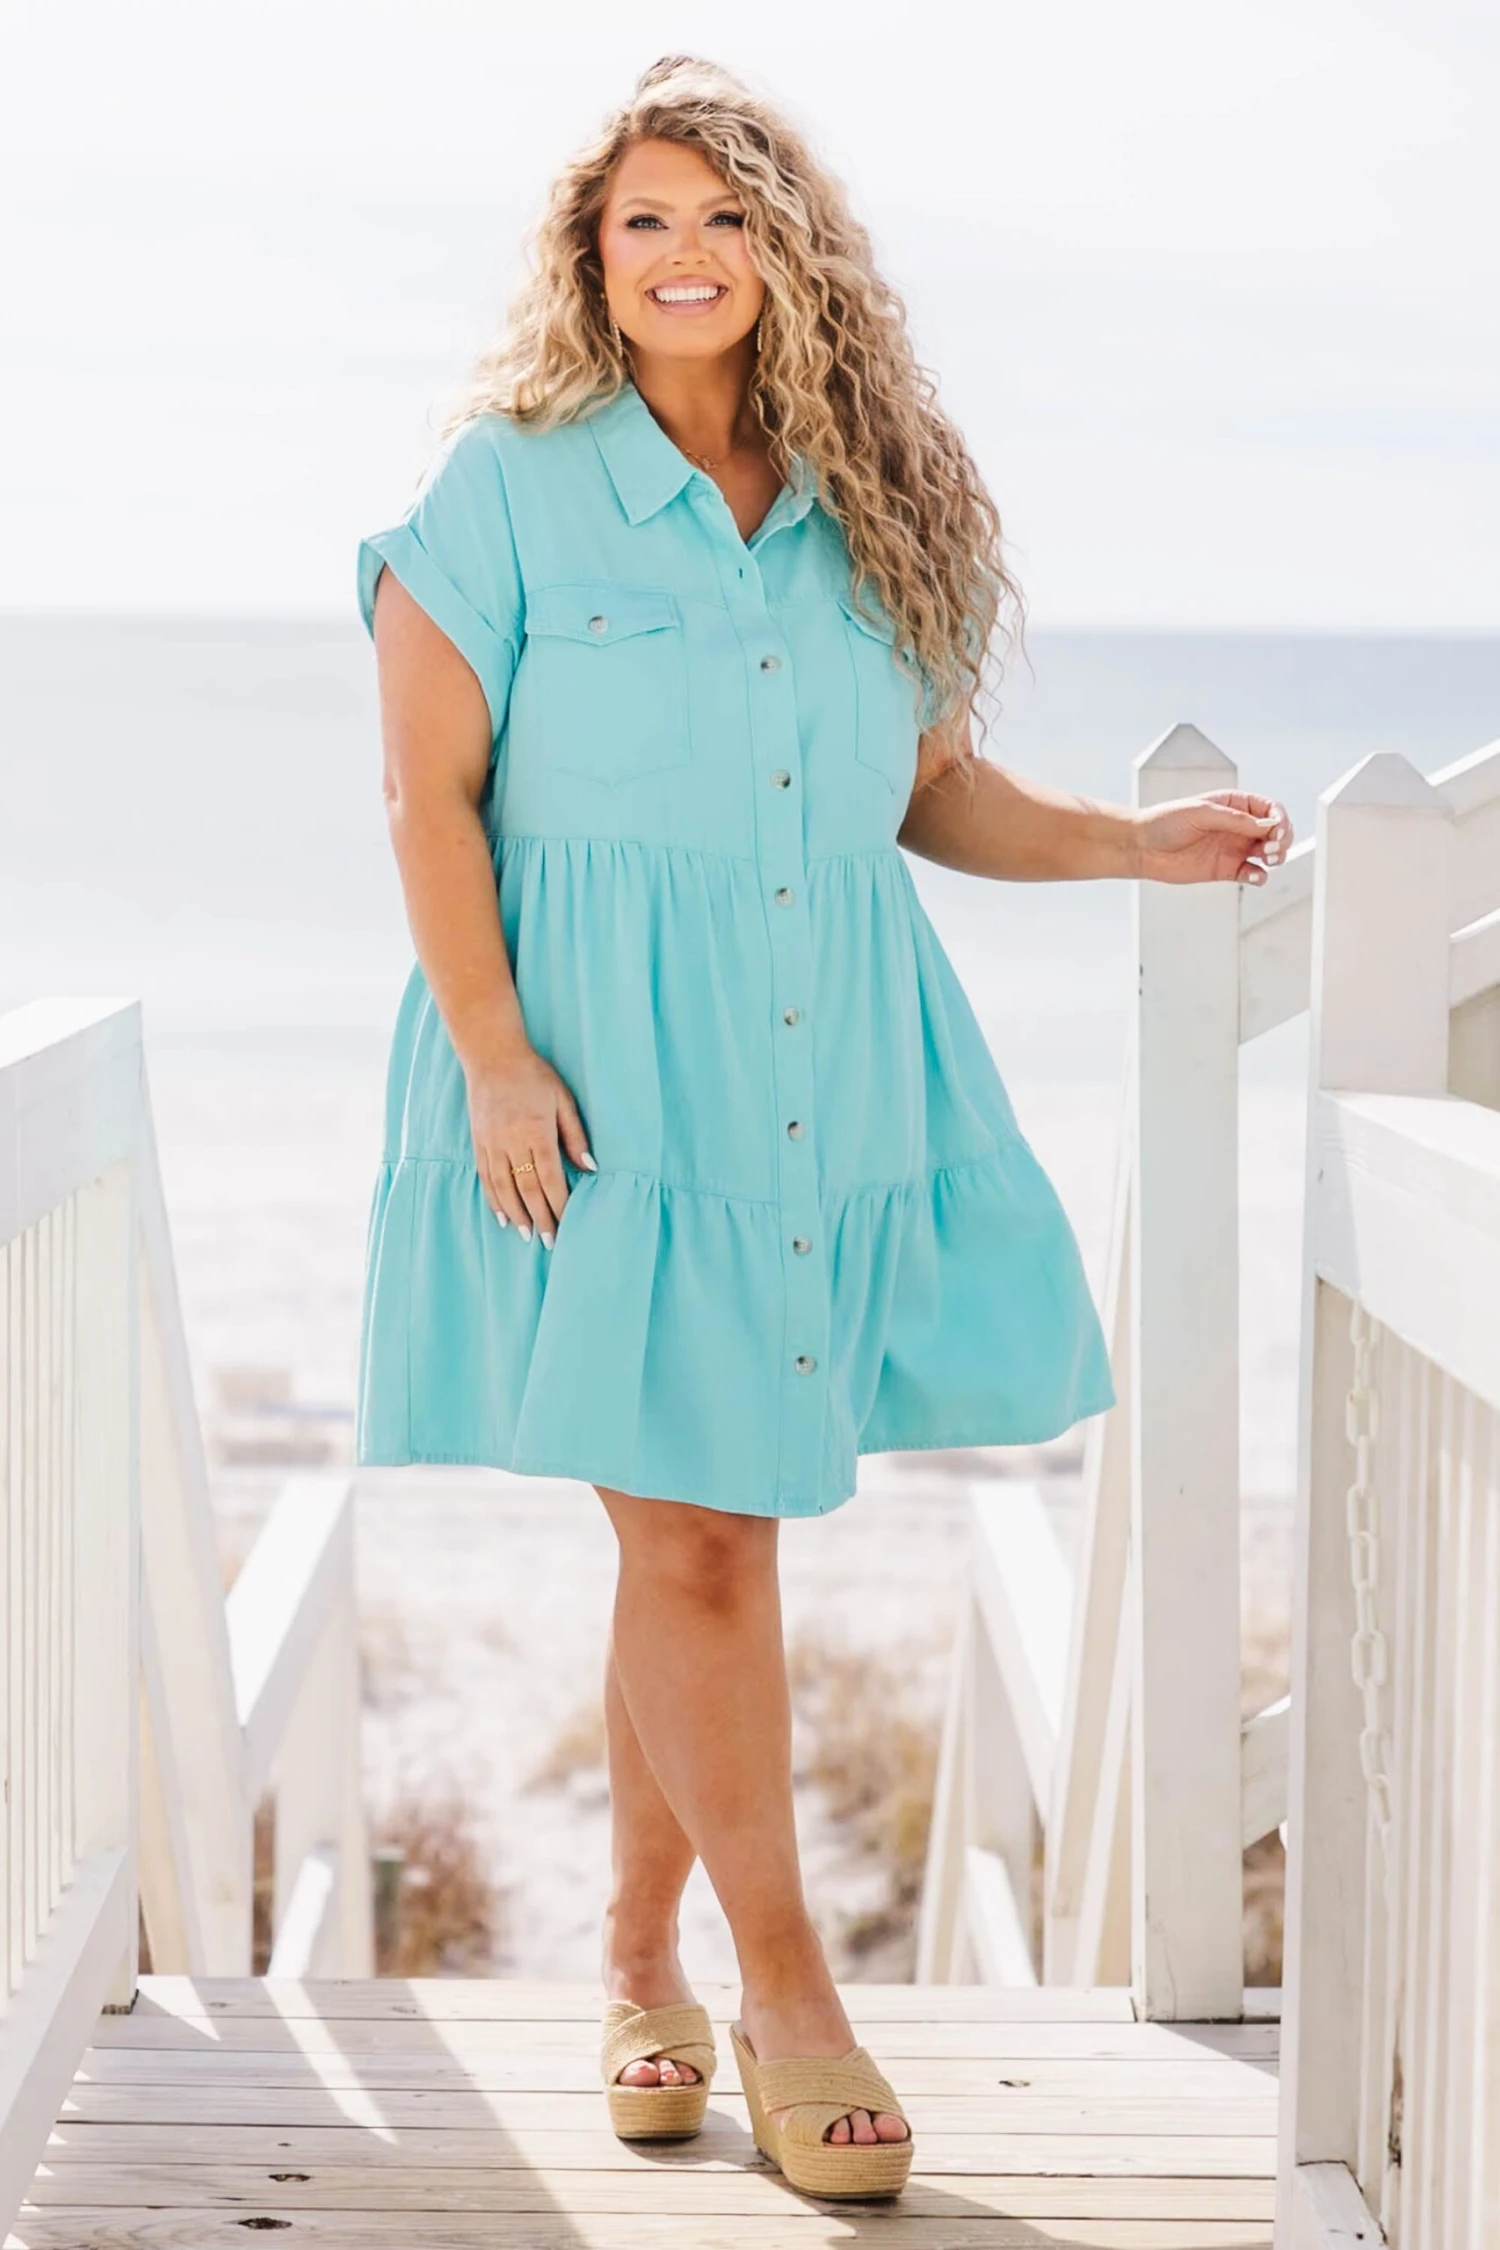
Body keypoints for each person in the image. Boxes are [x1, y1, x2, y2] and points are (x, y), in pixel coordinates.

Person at [356, 54, 1292, 2202]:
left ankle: (633, 1964)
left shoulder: (870, 501)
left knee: (708, 1529)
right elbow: (425, 794)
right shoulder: (506, 486)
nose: (685, 254)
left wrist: (1126, 846)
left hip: (808, 1071)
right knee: (702, 1536)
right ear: (593, 259)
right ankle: (788, 1994)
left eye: (726, 218)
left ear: (791, 256)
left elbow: (925, 792)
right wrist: (494, 1051)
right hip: (591, 1088)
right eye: (645, 221)